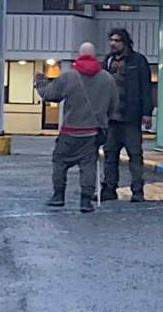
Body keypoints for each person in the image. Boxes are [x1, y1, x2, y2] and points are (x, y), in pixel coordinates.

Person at [35, 42, 119, 213]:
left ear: (79, 56)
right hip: (92, 132)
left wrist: (40, 82)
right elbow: (114, 105)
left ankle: (58, 196)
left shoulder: (69, 76)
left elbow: (50, 95)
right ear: (95, 56)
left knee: (60, 162)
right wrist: (103, 122)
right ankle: (86, 201)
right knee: (88, 165)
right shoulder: (107, 78)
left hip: (70, 131)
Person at [101, 28, 154, 203]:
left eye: (117, 40)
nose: (113, 44)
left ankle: (137, 191)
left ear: (125, 42)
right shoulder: (107, 61)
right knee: (110, 155)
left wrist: (147, 113)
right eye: (111, 40)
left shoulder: (138, 61)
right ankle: (109, 189)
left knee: (135, 156)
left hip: (131, 118)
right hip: (111, 119)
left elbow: (146, 88)